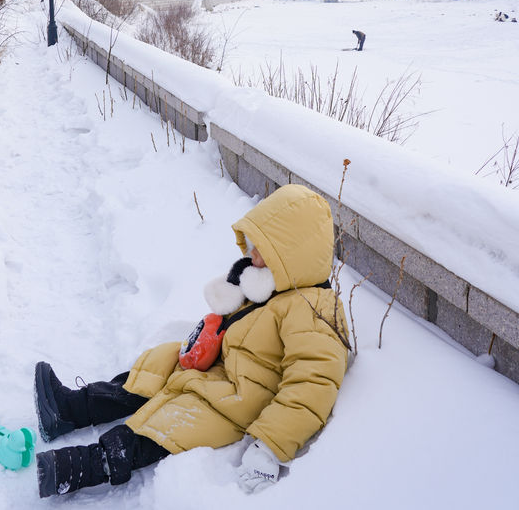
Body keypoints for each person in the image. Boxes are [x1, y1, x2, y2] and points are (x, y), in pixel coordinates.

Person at [33, 185, 349, 498]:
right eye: (253, 247)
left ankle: (79, 466)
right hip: (216, 369)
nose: (252, 256)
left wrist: (270, 444)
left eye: (262, 252)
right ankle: (70, 409)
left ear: (291, 254)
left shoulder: (314, 310)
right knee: (155, 369)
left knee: (171, 424)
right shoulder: (270, 286)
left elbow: (312, 383)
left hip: (238, 399)